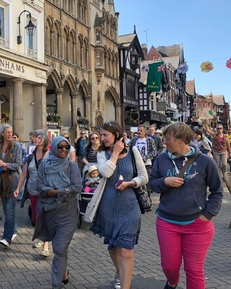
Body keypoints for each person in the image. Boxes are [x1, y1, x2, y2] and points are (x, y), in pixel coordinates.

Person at [149, 122, 223, 289]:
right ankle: (172, 282)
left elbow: (217, 191)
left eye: (168, 139)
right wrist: (165, 181)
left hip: (197, 224)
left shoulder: (204, 161)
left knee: (194, 270)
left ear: (181, 139)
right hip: (167, 222)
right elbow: (152, 184)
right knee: (170, 267)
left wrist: (207, 215)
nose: (164, 142)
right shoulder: (161, 159)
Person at [90, 121, 148, 289]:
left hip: (130, 206)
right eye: (101, 135)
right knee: (113, 248)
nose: (102, 138)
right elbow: (106, 173)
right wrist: (114, 154)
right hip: (108, 207)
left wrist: (130, 183)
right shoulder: (101, 154)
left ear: (116, 135)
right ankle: (118, 272)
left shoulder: (133, 151)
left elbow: (144, 177)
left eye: (105, 135)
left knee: (126, 251)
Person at [32, 136, 81, 289]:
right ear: (53, 148)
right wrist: (60, 192)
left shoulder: (72, 167)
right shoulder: (44, 165)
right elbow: (38, 187)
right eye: (60, 147)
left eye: (66, 147)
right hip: (49, 212)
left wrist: (54, 192)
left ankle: (56, 283)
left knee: (59, 247)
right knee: (61, 249)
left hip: (68, 213)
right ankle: (63, 270)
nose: (63, 150)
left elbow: (76, 188)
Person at [14, 131, 50, 256]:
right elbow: (24, 173)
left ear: (45, 140)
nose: (36, 139)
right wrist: (18, 188)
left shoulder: (49, 156)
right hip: (32, 190)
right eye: (36, 137)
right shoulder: (30, 156)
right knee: (35, 218)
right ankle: (41, 237)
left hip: (46, 192)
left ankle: (46, 246)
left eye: (39, 138)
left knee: (44, 217)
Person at [0, 124, 23, 249]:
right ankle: (14, 230)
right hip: (2, 182)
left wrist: (5, 164)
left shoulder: (17, 146)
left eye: (11, 132)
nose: (10, 134)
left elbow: (18, 165)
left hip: (13, 183)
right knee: (6, 210)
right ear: (2, 134)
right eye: (7, 132)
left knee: (10, 212)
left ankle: (6, 238)